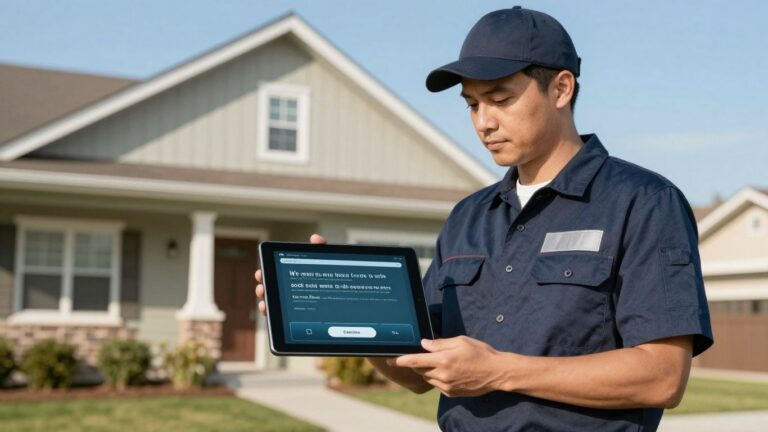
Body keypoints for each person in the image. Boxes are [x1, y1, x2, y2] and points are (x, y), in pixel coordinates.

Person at [255, 6, 713, 431]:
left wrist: (497, 370)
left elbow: (661, 377)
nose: (483, 122)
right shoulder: (467, 217)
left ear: (561, 88)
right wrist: (350, 322)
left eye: (500, 99)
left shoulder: (644, 202)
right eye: (472, 104)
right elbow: (419, 372)